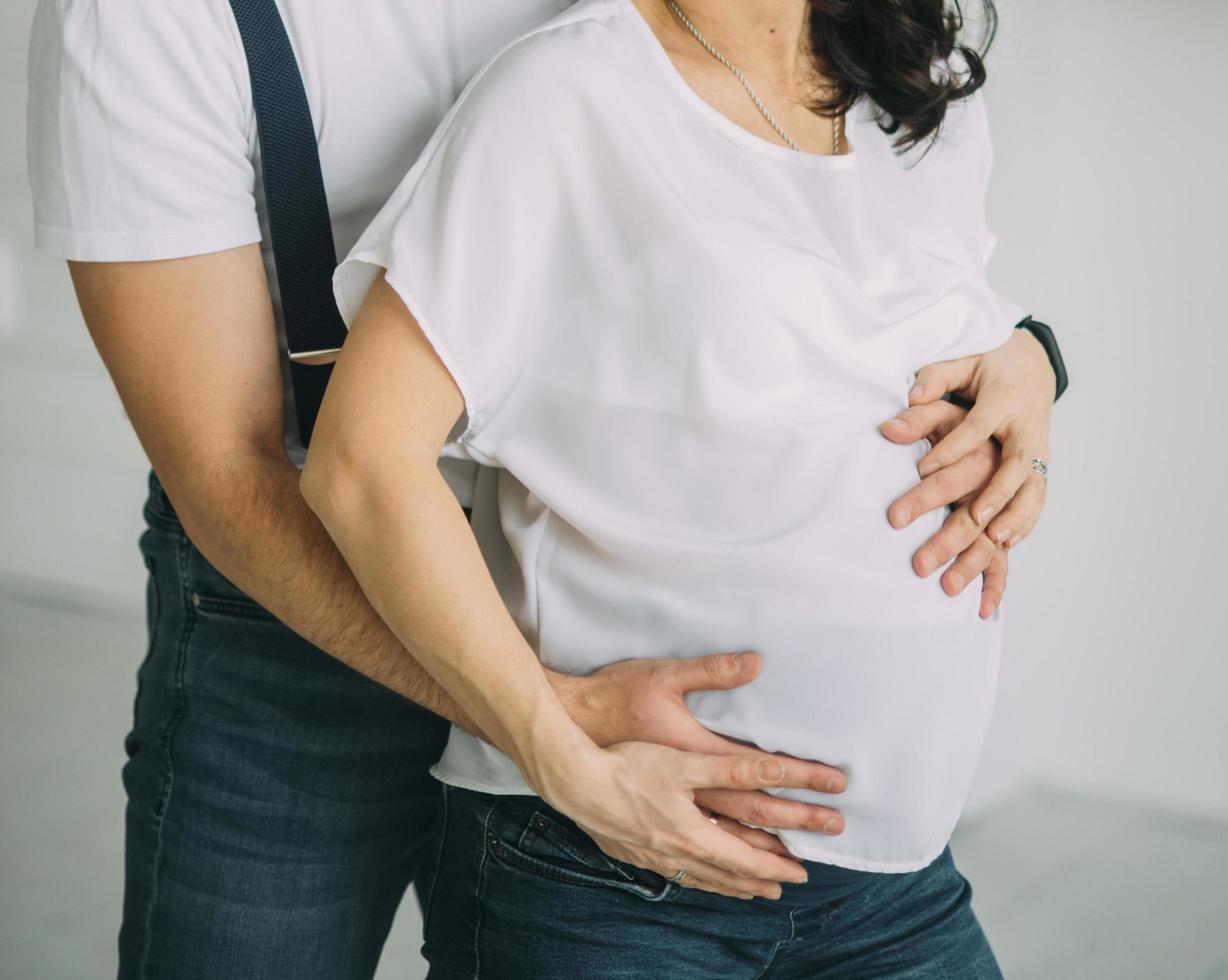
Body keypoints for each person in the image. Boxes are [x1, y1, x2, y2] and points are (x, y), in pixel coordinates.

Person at [27, 0, 1059, 976]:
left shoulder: (854, 67)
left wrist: (1027, 352)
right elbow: (225, 465)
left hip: (602, 601)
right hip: (300, 594)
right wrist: (547, 725)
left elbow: (771, 235)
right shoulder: (148, 20)